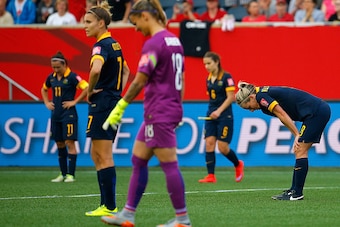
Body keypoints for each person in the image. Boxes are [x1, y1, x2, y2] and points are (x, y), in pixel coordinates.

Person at [100, 0, 191, 226]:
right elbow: (181, 79)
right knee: (138, 159)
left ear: (146, 16)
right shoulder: (174, 40)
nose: (135, 28)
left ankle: (183, 219)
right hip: (164, 109)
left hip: (158, 111)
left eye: (135, 21)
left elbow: (140, 80)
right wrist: (177, 107)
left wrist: (120, 106)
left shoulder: (154, 43)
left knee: (169, 164)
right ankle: (128, 214)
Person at [235, 81, 331, 200]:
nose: (251, 110)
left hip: (316, 113)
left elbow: (282, 114)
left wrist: (297, 134)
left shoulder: (261, 97)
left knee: (300, 150)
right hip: (315, 112)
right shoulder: (261, 94)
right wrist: (296, 134)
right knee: (299, 150)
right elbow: (282, 117)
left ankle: (296, 193)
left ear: (251, 97)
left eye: (249, 107)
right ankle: (294, 190)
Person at [83, 0, 130, 217]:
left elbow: (95, 71)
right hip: (111, 100)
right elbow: (126, 71)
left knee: (104, 155)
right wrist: (117, 92)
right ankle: (105, 203)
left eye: (89, 22)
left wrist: (90, 91)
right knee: (97, 153)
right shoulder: (115, 44)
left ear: (101, 23)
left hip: (103, 102)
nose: (85, 25)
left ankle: (110, 206)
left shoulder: (100, 46)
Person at [41, 51, 88, 183]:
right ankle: (62, 173)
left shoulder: (72, 77)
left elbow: (86, 87)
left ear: (65, 65)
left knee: (69, 142)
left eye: (58, 67)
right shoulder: (51, 78)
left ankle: (70, 174)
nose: (56, 69)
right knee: (59, 143)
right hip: (56, 114)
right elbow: (44, 89)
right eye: (53, 67)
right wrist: (46, 102)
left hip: (69, 114)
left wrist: (75, 101)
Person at [198, 51, 244, 184]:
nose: (206, 66)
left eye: (209, 63)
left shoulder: (226, 77)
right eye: (204, 64)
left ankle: (237, 164)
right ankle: (210, 175)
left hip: (224, 115)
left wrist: (218, 111)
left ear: (217, 62)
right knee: (209, 143)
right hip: (211, 114)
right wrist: (212, 112)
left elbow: (231, 97)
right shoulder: (208, 78)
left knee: (223, 147)